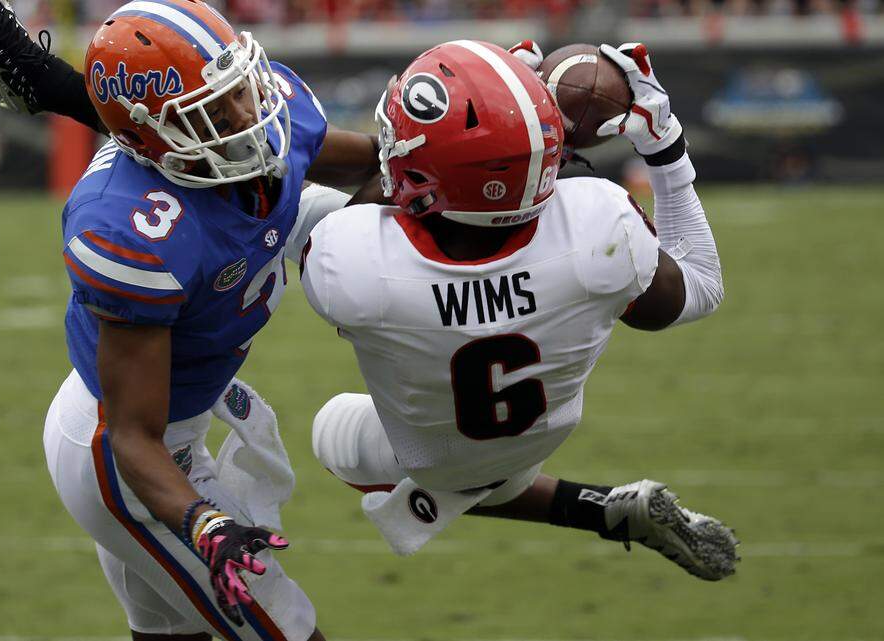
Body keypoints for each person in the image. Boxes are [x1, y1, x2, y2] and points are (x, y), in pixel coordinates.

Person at [0, 0, 375, 639]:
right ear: (159, 136)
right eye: (215, 111)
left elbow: (374, 164)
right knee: (285, 629)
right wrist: (205, 521)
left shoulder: (251, 119)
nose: (248, 117)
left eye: (239, 90)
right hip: (126, 453)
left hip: (175, 411)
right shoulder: (135, 228)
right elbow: (133, 437)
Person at [301, 40, 739, 579]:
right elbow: (701, 286)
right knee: (479, 475)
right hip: (537, 434)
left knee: (331, 432)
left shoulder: (350, 257)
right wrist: (662, 144)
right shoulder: (599, 221)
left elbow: (378, 190)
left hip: (428, 454)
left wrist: (497, 120)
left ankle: (592, 509)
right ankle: (604, 511)